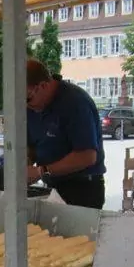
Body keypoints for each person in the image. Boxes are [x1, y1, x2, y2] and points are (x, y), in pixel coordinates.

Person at [24, 59, 106, 209]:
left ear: (42, 86)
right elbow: (31, 145)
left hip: (82, 189)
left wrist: (41, 171)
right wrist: (27, 162)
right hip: (52, 187)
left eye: (27, 98)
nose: (26, 104)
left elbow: (87, 156)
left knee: (78, 233)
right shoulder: (31, 107)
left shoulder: (75, 103)